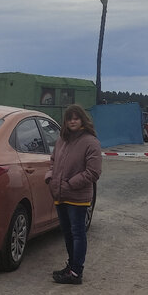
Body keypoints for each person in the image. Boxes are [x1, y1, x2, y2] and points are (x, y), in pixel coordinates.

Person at [46, 104, 101, 285]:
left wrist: (71, 184)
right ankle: (71, 266)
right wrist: (50, 178)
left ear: (82, 120)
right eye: (69, 118)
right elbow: (53, 162)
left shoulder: (90, 142)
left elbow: (93, 172)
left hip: (77, 197)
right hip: (60, 194)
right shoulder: (62, 140)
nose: (72, 121)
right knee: (67, 233)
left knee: (78, 233)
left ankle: (77, 271)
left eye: (76, 118)